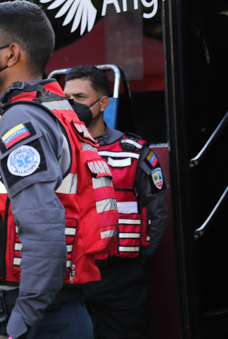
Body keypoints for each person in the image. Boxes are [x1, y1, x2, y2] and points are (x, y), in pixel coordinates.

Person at [0, 1, 118, 339]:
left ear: (11, 54)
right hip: (56, 313)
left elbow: (45, 230)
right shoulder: (57, 111)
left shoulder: (21, 121)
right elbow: (38, 210)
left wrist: (18, 327)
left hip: (37, 320)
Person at [63, 65, 168, 339]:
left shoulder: (135, 153)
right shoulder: (53, 153)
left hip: (120, 276)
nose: (71, 105)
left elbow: (157, 214)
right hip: (68, 277)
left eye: (79, 97)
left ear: (103, 103)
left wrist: (132, 260)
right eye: (66, 98)